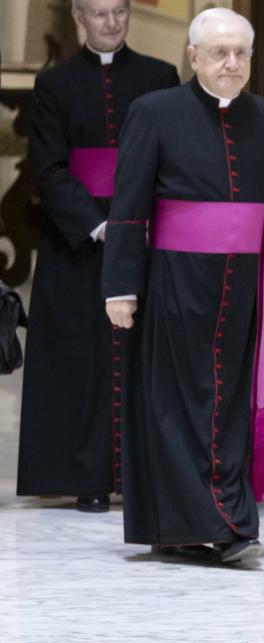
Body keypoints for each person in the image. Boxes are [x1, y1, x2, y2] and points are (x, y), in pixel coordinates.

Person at [101, 8, 264, 563]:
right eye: (219, 53)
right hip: (174, 283)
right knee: (176, 405)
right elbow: (129, 206)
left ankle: (219, 519)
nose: (231, 63)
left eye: (241, 54)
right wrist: (120, 288)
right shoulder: (154, 112)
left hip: (243, 289)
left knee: (227, 403)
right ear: (193, 57)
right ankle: (206, 523)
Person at [18, 0, 178, 512]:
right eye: (100, 13)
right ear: (78, 18)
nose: (112, 23)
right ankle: (86, 477)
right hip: (77, 239)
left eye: (120, 11)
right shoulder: (53, 85)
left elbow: (173, 156)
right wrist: (99, 224)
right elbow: (48, 166)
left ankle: (137, 474)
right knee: (80, 357)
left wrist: (139, 222)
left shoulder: (160, 76)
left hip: (147, 234)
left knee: (141, 358)